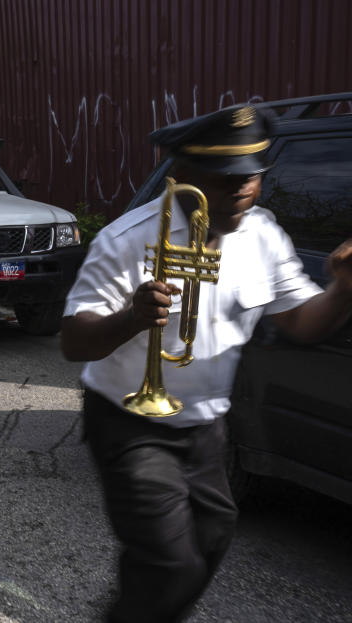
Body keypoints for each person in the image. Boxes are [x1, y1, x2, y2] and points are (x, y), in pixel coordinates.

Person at [61, 103, 352, 623]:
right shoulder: (127, 240)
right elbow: (74, 341)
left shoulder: (263, 235)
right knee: (169, 562)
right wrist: (130, 318)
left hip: (206, 427)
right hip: (131, 425)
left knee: (211, 541)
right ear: (184, 173)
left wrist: (344, 290)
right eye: (224, 178)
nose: (240, 188)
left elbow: (302, 322)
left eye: (252, 177)